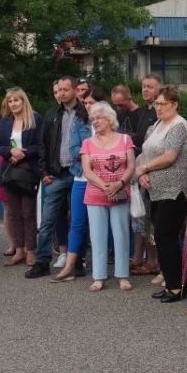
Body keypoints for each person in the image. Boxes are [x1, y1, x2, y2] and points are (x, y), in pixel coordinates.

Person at [136, 85, 187, 303]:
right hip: (156, 190)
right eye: (156, 104)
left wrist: (144, 168)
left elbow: (170, 156)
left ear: (175, 104)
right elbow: (146, 151)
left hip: (174, 190)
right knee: (161, 238)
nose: (158, 108)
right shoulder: (158, 125)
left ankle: (177, 286)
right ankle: (174, 283)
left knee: (166, 237)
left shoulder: (179, 126)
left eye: (162, 104)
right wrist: (143, 173)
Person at [51, 86, 107, 282]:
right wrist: (95, 150)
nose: (88, 106)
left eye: (92, 102)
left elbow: (116, 148)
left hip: (104, 179)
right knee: (77, 222)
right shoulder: (80, 123)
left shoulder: (111, 123)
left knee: (102, 224)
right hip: (82, 177)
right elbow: (73, 150)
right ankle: (70, 265)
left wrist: (90, 151)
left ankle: (102, 267)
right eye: (85, 102)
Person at [27, 76, 81, 279]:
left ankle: (77, 262)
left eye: (65, 89)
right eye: (59, 90)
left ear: (75, 90)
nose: (61, 93)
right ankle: (42, 262)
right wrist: (43, 172)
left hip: (78, 174)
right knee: (47, 221)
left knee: (78, 221)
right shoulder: (51, 114)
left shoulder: (85, 113)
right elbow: (43, 145)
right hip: (56, 175)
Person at [80, 101, 135, 292]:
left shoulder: (125, 140)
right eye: (92, 119)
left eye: (98, 118)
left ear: (110, 119)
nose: (94, 122)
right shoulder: (87, 143)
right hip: (96, 194)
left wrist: (119, 184)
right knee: (97, 236)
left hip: (120, 193)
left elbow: (131, 166)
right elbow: (87, 171)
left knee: (121, 234)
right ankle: (99, 276)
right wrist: (105, 187)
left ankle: (123, 276)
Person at [0, 87, 42, 268]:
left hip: (28, 171)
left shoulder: (35, 119)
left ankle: (30, 251)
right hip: (10, 170)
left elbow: (41, 145)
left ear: (23, 101)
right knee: (14, 213)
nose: (13, 104)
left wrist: (24, 153)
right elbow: (0, 146)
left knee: (28, 212)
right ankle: (19, 251)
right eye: (10, 101)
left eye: (16, 100)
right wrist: (11, 151)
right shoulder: (5, 121)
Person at [123, 77, 162, 275]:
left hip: (153, 170)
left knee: (153, 218)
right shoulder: (143, 112)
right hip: (139, 169)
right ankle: (141, 257)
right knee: (141, 218)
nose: (145, 90)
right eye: (143, 86)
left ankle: (154, 261)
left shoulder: (159, 113)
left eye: (150, 87)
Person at [0, 97, 15, 257]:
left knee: (24, 207)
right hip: (5, 163)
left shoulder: (28, 123)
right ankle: (12, 243)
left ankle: (25, 244)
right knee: (8, 207)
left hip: (23, 163)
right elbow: (3, 145)